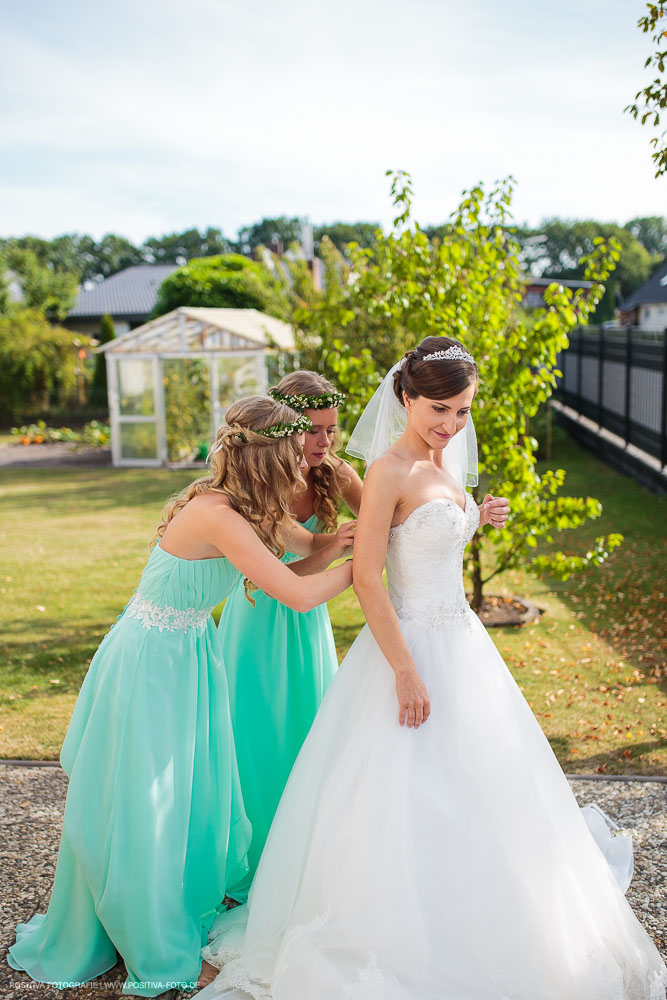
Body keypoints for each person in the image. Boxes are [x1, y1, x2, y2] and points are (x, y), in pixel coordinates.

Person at [200, 340, 667, 1000]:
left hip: (464, 648)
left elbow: (429, 540)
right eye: (438, 410)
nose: (450, 424)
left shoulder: (442, 458)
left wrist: (476, 517)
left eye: (461, 411)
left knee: (483, 788)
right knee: (398, 796)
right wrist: (404, 671)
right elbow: (368, 578)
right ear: (405, 399)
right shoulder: (387, 468)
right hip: (408, 649)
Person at [8, 396, 353, 998]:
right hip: (151, 661)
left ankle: (161, 906)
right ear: (269, 457)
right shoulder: (218, 514)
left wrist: (352, 536)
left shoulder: (248, 508)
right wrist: (366, 562)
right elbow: (297, 595)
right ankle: (148, 937)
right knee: (151, 800)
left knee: (190, 795)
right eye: (294, 452)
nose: (305, 462)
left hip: (188, 653)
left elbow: (302, 549)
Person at [219, 372, 363, 900]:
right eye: (313, 431)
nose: (325, 443)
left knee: (310, 728)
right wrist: (342, 547)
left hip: (307, 617)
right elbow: (297, 556)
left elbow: (387, 516)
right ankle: (255, 858)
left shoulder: (333, 469)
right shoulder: (261, 480)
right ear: (284, 429)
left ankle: (305, 851)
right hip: (260, 612)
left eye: (332, 430)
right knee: (258, 733)